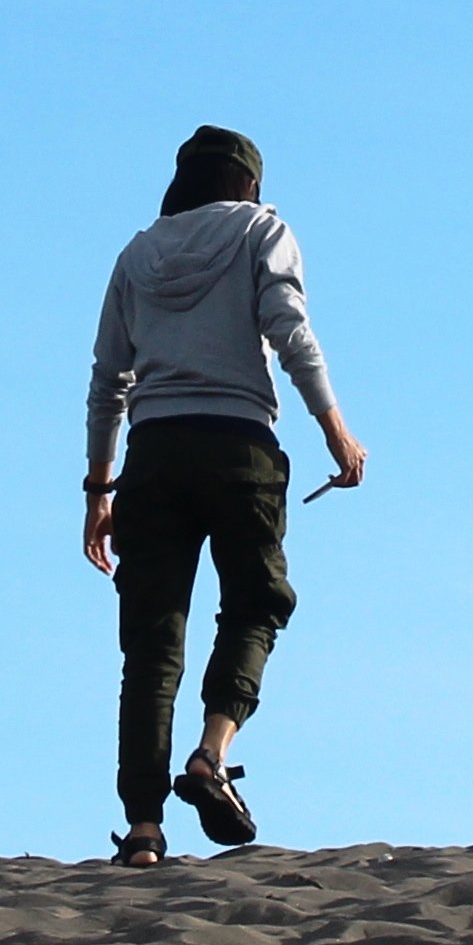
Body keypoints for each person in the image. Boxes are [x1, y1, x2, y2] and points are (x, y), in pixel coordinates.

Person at [83, 125, 370, 867]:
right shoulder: (261, 231)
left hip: (151, 456)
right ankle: (211, 755)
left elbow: (108, 380)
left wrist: (98, 486)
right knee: (255, 604)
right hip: (240, 444)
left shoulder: (136, 255)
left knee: (151, 642)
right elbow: (290, 329)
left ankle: (143, 828)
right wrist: (335, 428)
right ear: (248, 183)